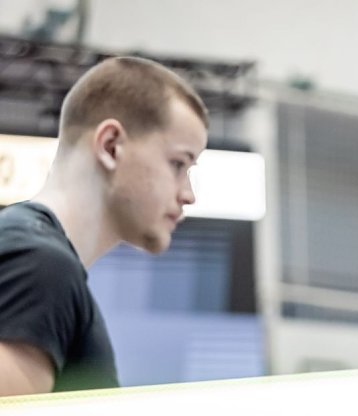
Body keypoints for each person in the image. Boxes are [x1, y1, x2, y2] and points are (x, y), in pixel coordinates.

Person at [0, 56, 208, 396]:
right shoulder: (39, 266)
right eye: (178, 164)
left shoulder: (37, 259)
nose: (188, 195)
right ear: (111, 145)